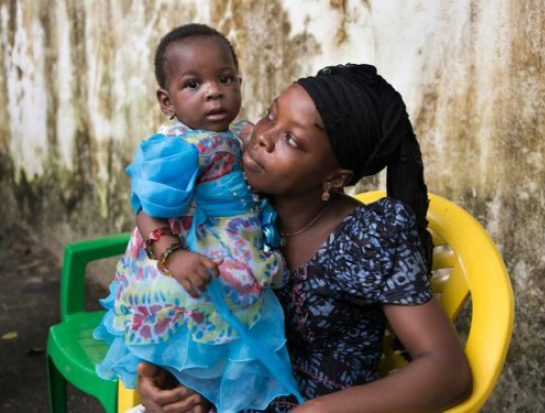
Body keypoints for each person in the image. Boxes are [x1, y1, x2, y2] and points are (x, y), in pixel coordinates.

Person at [136, 64, 473, 413]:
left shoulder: (367, 238)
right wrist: (164, 375)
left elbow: (448, 372)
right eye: (270, 115)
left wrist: (317, 411)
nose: (263, 136)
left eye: (292, 140)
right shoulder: (236, 208)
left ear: (334, 177)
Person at [93, 23, 304, 413]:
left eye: (225, 78)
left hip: (237, 252)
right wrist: (173, 255)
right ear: (166, 101)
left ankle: (213, 401)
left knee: (232, 340)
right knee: (195, 334)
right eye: (193, 84)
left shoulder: (240, 134)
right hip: (192, 258)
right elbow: (147, 210)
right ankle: (174, 393)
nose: (213, 91)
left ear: (239, 81)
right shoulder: (175, 149)